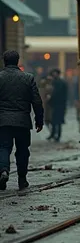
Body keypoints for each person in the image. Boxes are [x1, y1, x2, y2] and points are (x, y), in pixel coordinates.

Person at [0, 50, 44, 190]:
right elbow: (37, 101)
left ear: (4, 61)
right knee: (23, 150)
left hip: (3, 121)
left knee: (3, 147)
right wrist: (39, 120)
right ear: (17, 61)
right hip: (22, 121)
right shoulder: (28, 78)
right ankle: (22, 179)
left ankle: (3, 171)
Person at [48, 68, 68, 142]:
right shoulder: (55, 82)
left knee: (58, 121)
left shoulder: (60, 83)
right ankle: (53, 134)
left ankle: (57, 135)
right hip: (56, 104)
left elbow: (57, 94)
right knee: (54, 121)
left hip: (59, 104)